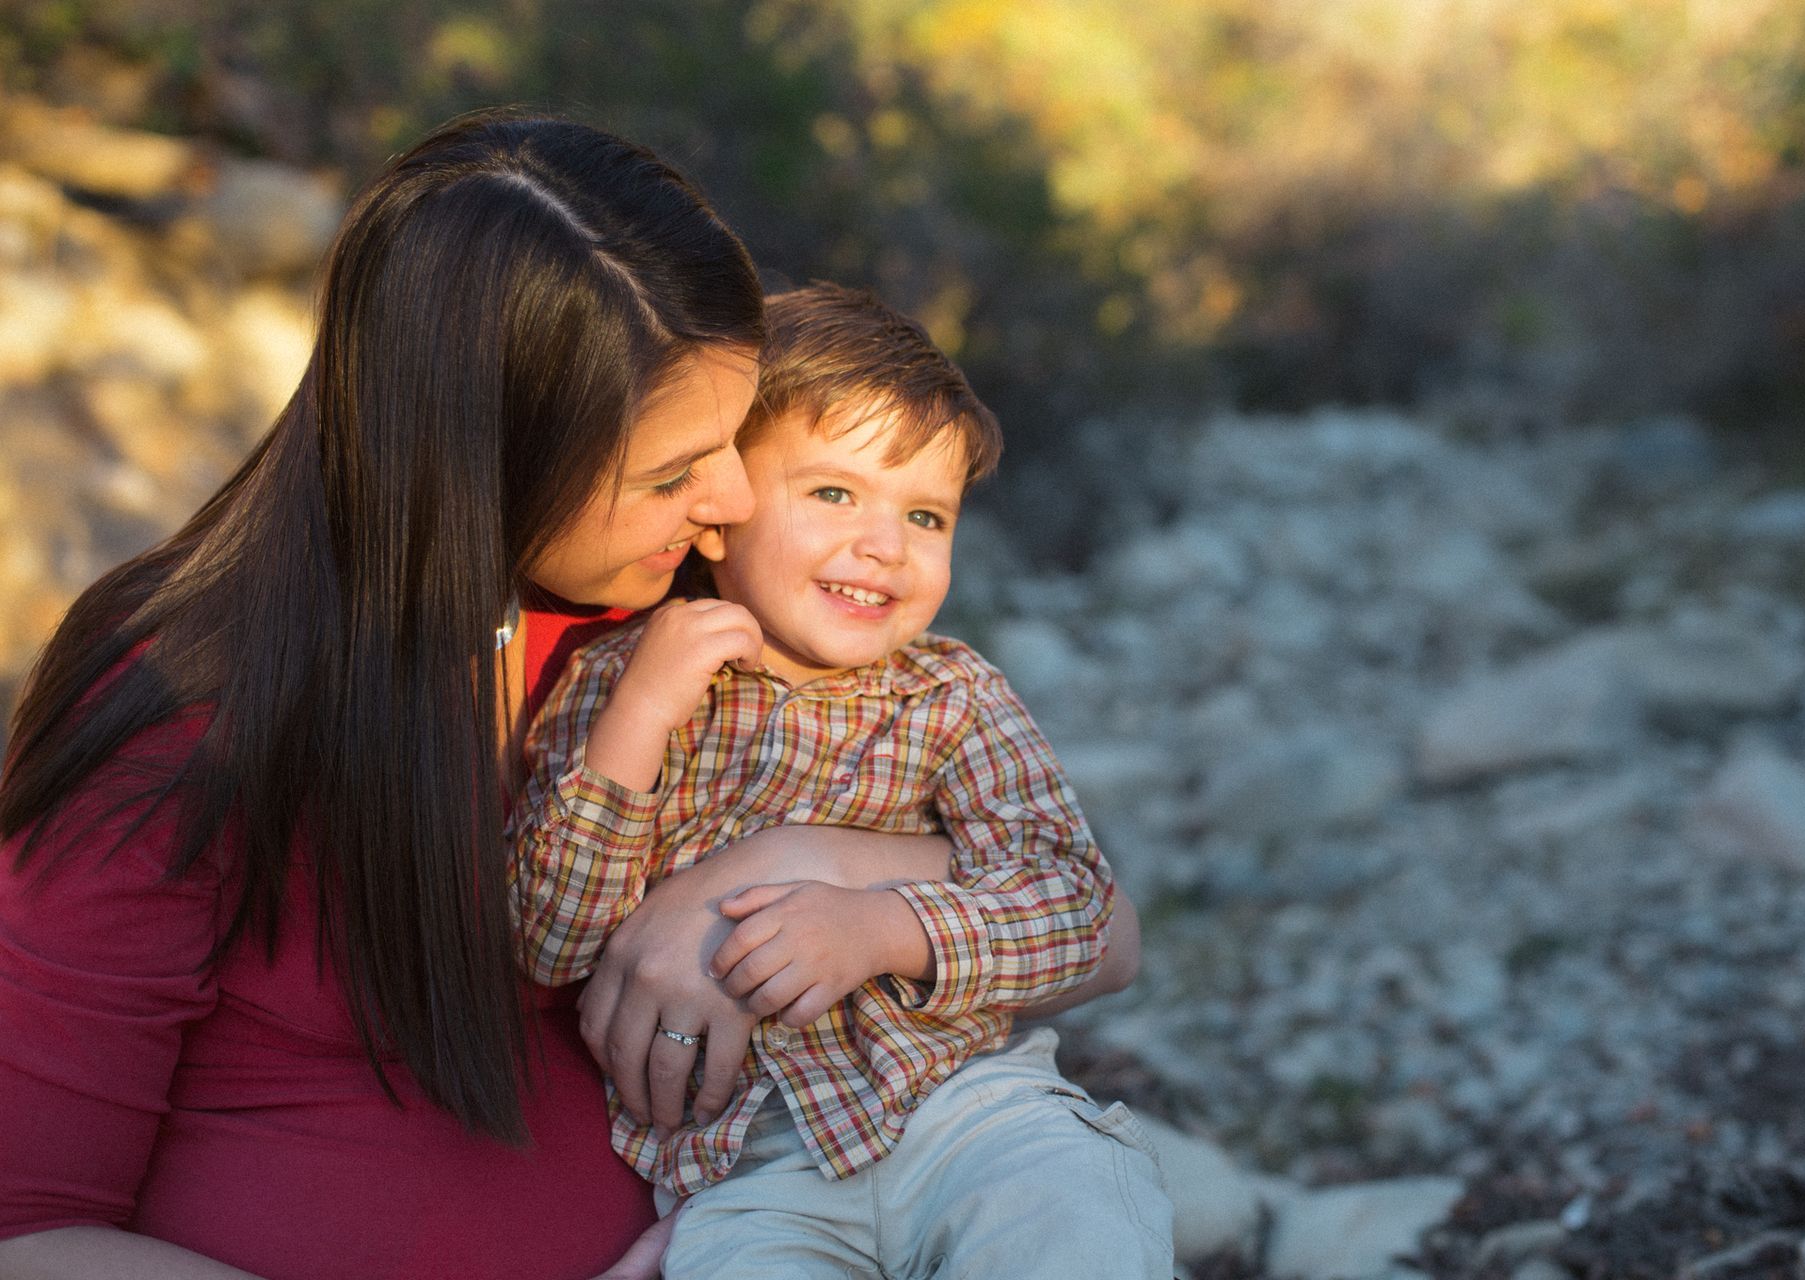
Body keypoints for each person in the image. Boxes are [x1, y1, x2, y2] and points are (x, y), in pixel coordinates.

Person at [0, 112, 1078, 1280]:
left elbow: (1091, 915)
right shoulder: (183, 704)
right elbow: (28, 1229)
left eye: (733, 440)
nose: (728, 502)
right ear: (488, 468)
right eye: (672, 472)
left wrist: (728, 886)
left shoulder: (669, 610)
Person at [513, 283, 1173, 1278]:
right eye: (833, 492)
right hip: (744, 1170)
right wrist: (638, 720)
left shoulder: (950, 695)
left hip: (965, 1107)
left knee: (1074, 1215)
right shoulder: (624, 681)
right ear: (722, 512)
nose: (885, 543)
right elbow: (550, 937)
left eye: (925, 513)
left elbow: (1076, 902)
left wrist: (884, 925)